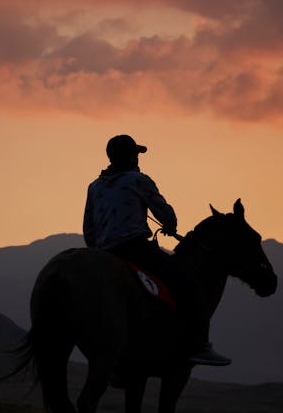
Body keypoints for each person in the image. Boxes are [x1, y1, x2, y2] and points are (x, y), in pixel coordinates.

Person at [83, 134, 231, 366]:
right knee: (189, 284)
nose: (138, 159)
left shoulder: (94, 187)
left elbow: (89, 232)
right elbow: (165, 214)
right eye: (136, 154)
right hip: (135, 249)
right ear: (131, 156)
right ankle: (198, 345)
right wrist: (170, 226)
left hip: (103, 254)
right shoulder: (137, 179)